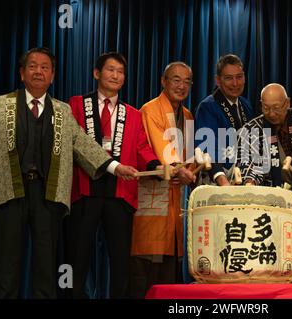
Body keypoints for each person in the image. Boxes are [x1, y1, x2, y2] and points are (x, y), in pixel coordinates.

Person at [0, 47, 136, 298]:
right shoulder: (2, 105)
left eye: (45, 67)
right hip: (10, 192)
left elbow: (83, 144)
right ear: (22, 73)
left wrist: (116, 167)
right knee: (7, 265)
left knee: (46, 267)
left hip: (48, 195)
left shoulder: (61, 110)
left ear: (53, 76)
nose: (39, 71)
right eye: (33, 66)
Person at [67, 52, 161, 298]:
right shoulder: (76, 105)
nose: (116, 75)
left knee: (120, 262)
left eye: (120, 72)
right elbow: (74, 145)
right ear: (97, 73)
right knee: (77, 257)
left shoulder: (133, 114)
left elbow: (141, 147)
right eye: (110, 70)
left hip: (121, 193)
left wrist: (156, 165)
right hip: (84, 190)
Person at [235, 83, 292, 282]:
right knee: (275, 262)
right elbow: (248, 164)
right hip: (271, 209)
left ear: (288, 103)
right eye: (266, 108)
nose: (271, 113)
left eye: (276, 107)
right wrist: (249, 182)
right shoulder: (251, 129)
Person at [130, 61, 196, 298]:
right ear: (163, 81)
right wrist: (179, 169)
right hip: (154, 194)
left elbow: (188, 158)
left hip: (177, 196)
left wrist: (190, 169)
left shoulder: (187, 115)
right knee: (147, 267)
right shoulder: (150, 109)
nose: (181, 86)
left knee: (171, 268)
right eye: (176, 80)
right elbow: (161, 148)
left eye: (187, 81)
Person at [195, 54, 253, 186]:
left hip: (242, 179)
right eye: (228, 78)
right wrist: (223, 182)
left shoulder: (246, 104)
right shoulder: (208, 106)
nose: (235, 83)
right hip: (217, 181)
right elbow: (206, 148)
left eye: (239, 77)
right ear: (218, 80)